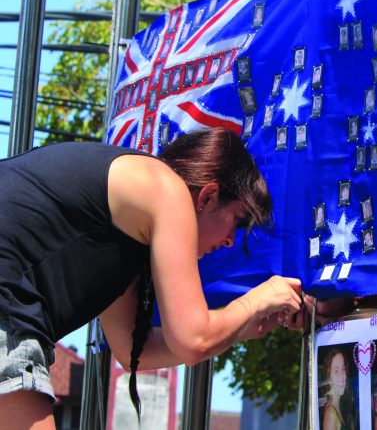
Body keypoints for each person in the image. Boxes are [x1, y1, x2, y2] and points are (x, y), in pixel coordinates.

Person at [0, 127, 309, 428]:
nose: (230, 240)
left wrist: (240, 328)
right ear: (209, 196)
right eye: (238, 221)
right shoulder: (166, 188)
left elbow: (134, 351)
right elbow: (193, 339)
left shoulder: (127, 225)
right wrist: (256, 301)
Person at [322, 348, 356, 430]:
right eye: (336, 371)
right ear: (328, 377)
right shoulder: (330, 414)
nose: (342, 376)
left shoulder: (342, 407)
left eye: (343, 368)